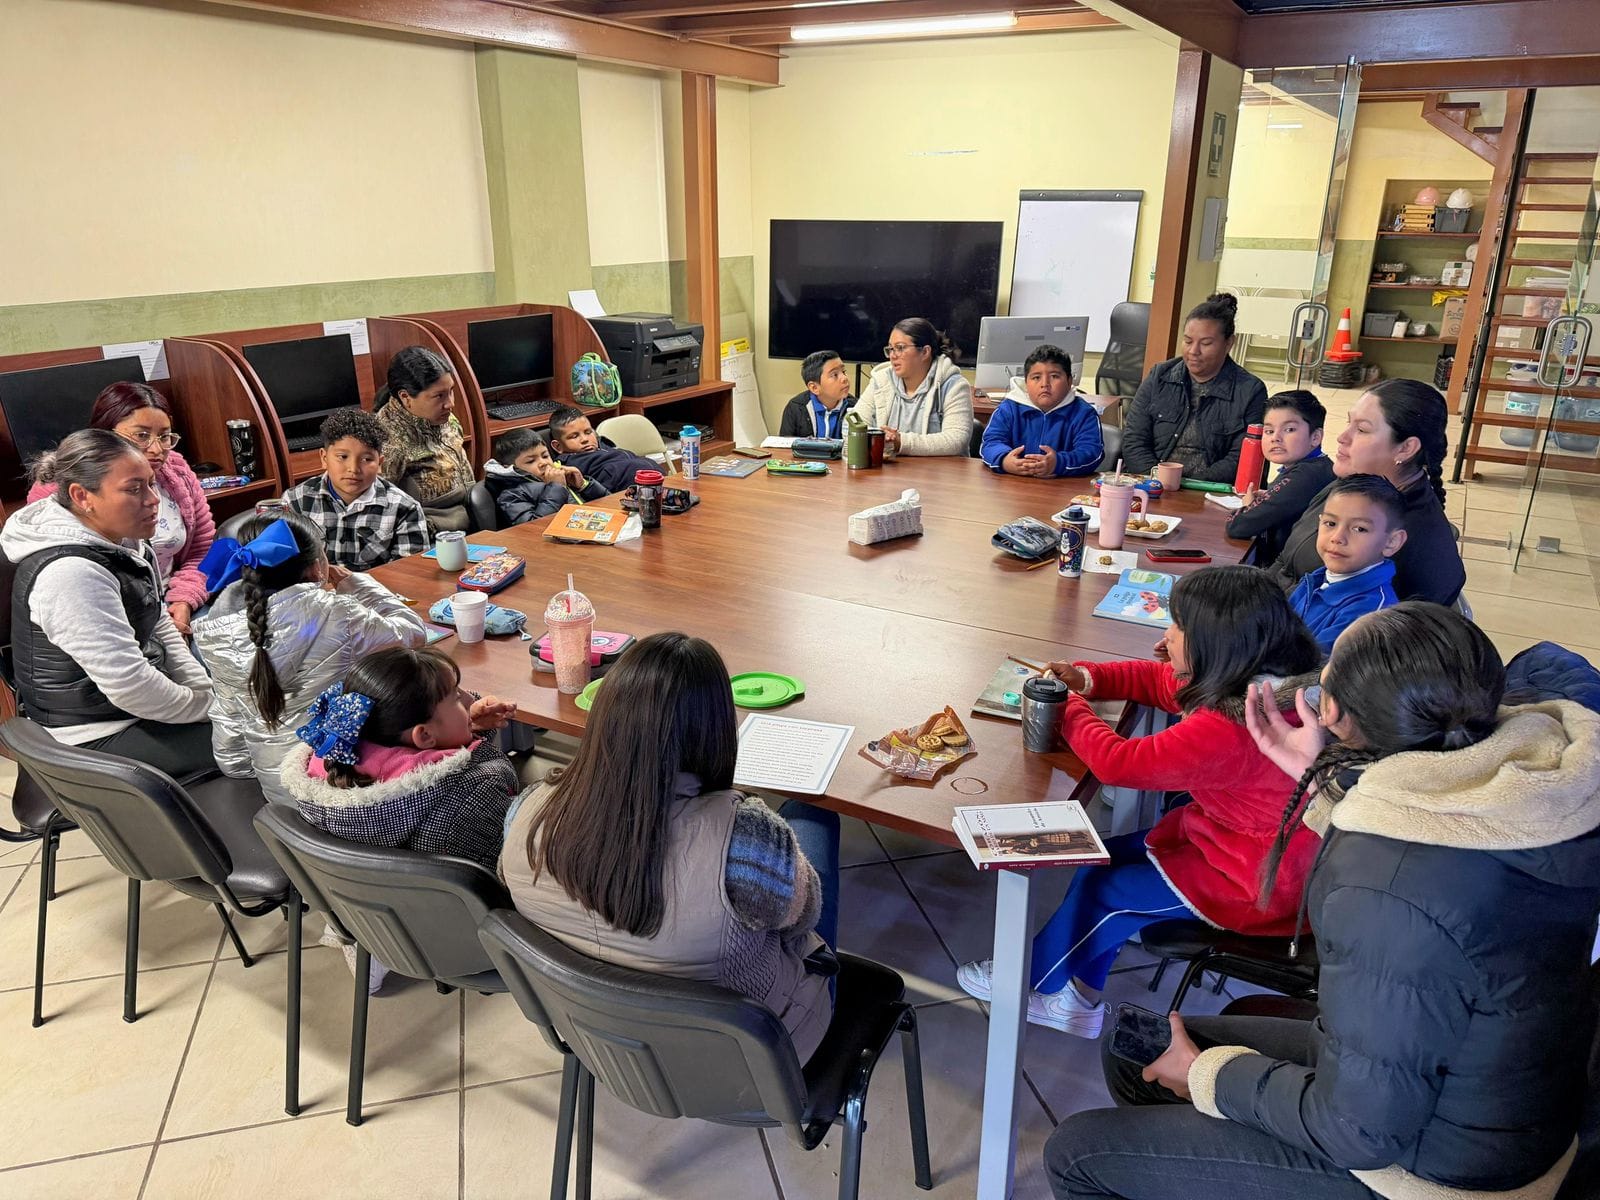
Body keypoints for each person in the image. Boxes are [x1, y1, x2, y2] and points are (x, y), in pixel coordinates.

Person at [1046, 603, 1600, 1200]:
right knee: (1136, 1054)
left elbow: (1359, 1132)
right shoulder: (1529, 798)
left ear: (1330, 711)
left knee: (1076, 1152)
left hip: (1432, 1173)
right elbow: (1425, 847)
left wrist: (1208, 1075)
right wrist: (1317, 777)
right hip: (1487, 1099)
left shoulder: (1386, 893)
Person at [956, 566, 1321, 1036]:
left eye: (1178, 628)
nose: (1166, 637)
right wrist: (1088, 677)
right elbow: (1161, 681)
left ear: (1214, 645)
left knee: (1110, 893)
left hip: (1258, 879)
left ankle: (1024, 982)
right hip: (1239, 845)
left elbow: (1117, 763)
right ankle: (1079, 1001)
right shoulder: (1263, 678)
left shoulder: (1229, 726)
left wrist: (1069, 706)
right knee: (1099, 863)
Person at [501, 632, 841, 1062]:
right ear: (716, 731)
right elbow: (802, 921)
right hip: (752, 1061)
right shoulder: (749, 842)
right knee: (813, 818)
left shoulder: (525, 812)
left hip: (602, 1042)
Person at [2, 429, 214, 778]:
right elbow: (132, 688)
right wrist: (210, 709)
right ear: (82, 496)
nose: (153, 500)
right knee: (257, 742)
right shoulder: (70, 574)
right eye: (134, 489)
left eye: (151, 484)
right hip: (89, 738)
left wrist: (203, 692)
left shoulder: (122, 539)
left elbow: (158, 621)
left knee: (252, 722)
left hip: (126, 713)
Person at [191, 513, 428, 806]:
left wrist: (250, 770)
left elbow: (229, 733)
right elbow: (412, 633)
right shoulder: (337, 614)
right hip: (346, 789)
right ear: (317, 567)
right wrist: (357, 584)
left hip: (280, 797)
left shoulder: (214, 633)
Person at [281, 646, 521, 872]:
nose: (469, 700)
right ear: (424, 735)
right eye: (457, 697)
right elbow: (516, 870)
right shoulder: (476, 794)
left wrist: (468, 727)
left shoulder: (330, 782)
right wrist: (477, 748)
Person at [27, 382, 215, 635]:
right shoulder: (59, 491)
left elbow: (201, 550)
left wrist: (183, 601)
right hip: (105, 617)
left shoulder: (176, 471)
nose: (157, 450)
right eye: (141, 436)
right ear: (105, 435)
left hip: (170, 605)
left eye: (164, 436)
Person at [1266, 378, 1465, 606]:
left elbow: (1330, 616)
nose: (1342, 437)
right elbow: (1286, 561)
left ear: (1406, 448)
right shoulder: (1355, 486)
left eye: (1361, 429)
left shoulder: (1398, 538)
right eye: (1349, 423)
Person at [1121, 294, 1268, 482]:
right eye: (1188, 341)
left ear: (1229, 343)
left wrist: (1188, 487)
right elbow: (1134, 440)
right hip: (1153, 483)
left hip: (1210, 489)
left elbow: (1241, 458)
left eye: (1206, 343)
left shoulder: (1250, 390)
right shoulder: (1159, 376)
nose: (1193, 351)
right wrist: (1158, 481)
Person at [282, 408, 430, 570]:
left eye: (366, 459)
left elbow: (409, 573)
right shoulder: (295, 502)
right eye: (342, 457)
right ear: (324, 458)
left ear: (380, 464)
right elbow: (284, 567)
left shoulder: (404, 509)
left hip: (376, 586)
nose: (353, 469)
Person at [1288, 474, 1406, 653]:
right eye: (1330, 523)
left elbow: (1308, 667)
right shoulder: (1316, 580)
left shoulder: (1369, 616)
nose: (1337, 538)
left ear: (1392, 542)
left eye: (1359, 529)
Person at [1224, 389, 1334, 563]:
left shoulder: (1306, 475)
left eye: (1289, 429)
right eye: (1269, 431)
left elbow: (1238, 526)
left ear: (1315, 437)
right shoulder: (1317, 466)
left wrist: (1248, 506)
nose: (1275, 438)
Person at [373, 345, 474, 532]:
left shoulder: (445, 418)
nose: (450, 403)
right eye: (439, 396)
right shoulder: (388, 441)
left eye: (451, 391)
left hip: (470, 515)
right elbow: (378, 510)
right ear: (405, 397)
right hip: (431, 534)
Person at [850, 317, 974, 457]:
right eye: (890, 349)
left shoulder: (954, 385)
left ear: (925, 352)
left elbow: (956, 440)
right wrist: (878, 439)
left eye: (900, 348)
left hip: (940, 469)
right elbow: (852, 425)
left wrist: (900, 442)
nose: (892, 356)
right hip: (890, 468)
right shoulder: (881, 381)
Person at [980, 344, 1105, 477]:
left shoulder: (1083, 413)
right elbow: (991, 443)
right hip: (1014, 483)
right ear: (1026, 383)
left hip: (1062, 486)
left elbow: (1091, 452)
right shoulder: (1009, 408)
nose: (1045, 384)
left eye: (1054, 376)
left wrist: (1058, 463)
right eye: (1036, 377)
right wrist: (1004, 460)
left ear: (1069, 381)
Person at [482, 428, 606, 527]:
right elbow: (534, 527)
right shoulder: (511, 495)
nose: (543, 463)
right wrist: (557, 487)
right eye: (531, 461)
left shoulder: (562, 477)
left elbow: (608, 504)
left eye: (545, 456)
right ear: (510, 468)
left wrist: (584, 485)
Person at [545, 407, 663, 495]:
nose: (585, 439)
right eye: (574, 436)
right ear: (558, 446)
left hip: (658, 480)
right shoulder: (570, 466)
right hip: (635, 492)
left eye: (588, 432)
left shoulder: (602, 446)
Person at [779, 351, 855, 439]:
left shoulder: (855, 407)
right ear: (814, 388)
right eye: (835, 375)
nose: (844, 378)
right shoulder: (796, 408)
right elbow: (785, 444)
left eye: (844, 372)